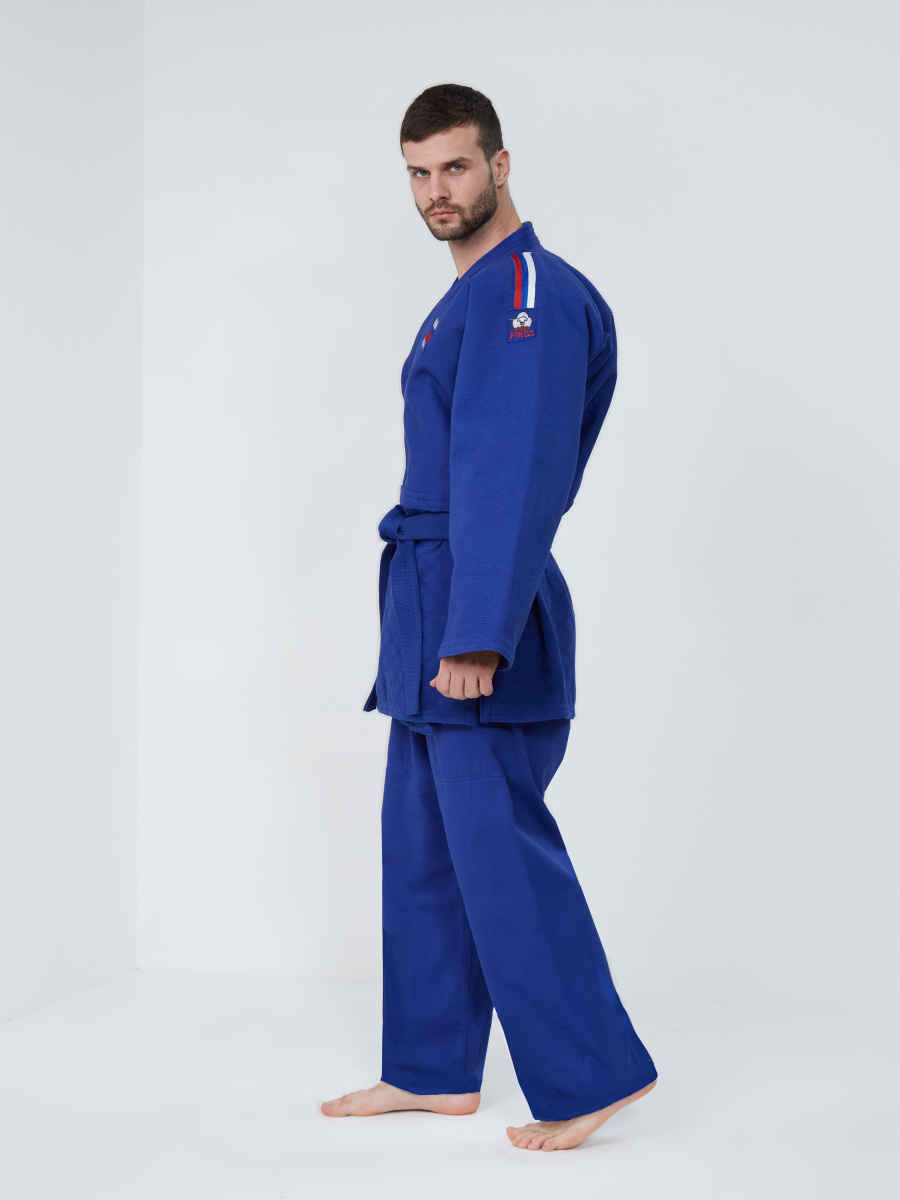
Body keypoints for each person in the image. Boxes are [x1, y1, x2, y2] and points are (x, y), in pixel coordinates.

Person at [321, 83, 658, 1152]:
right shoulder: (470, 296)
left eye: (456, 167)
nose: (437, 191)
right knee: (425, 841)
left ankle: (592, 1073)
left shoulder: (522, 292)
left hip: (478, 611)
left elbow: (510, 471)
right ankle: (432, 1070)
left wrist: (477, 633)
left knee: (498, 848)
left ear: (500, 166)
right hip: (431, 600)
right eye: (419, 173)